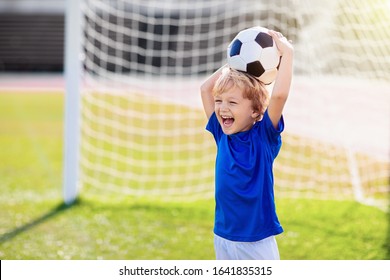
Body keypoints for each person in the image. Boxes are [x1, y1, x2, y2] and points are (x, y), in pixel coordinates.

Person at [200, 30, 293, 260]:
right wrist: (233, 64)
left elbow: (279, 96)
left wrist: (288, 54)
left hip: (255, 242)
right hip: (222, 237)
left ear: (255, 111)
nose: (222, 108)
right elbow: (205, 89)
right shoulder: (222, 136)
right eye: (220, 101)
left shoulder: (263, 139)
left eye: (232, 102)